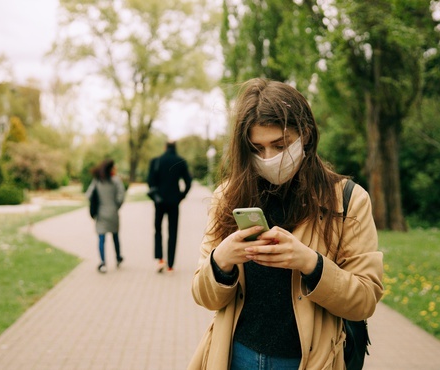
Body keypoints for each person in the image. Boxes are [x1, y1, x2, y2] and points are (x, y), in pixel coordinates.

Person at [189, 78, 384, 369]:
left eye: (280, 145)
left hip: (308, 361)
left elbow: (364, 299)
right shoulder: (227, 197)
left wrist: (311, 263)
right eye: (257, 148)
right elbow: (204, 296)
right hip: (236, 356)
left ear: (304, 134)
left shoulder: (348, 199)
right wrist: (221, 261)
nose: (269, 158)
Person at [147, 140, 193, 273]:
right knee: (173, 232)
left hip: (159, 202)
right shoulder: (180, 161)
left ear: (165, 147)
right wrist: (181, 196)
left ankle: (160, 259)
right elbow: (188, 182)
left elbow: (150, 181)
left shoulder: (156, 161)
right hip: (174, 202)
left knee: (158, 229)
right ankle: (171, 264)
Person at [85, 159, 126, 273]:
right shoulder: (116, 181)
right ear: (111, 169)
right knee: (115, 237)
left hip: (101, 213)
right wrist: (116, 206)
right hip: (113, 212)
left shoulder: (98, 181)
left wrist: (96, 205)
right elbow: (121, 196)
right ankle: (118, 258)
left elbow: (89, 194)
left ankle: (103, 263)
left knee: (101, 239)